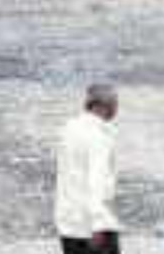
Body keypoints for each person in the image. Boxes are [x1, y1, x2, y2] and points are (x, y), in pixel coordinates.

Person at [54, 83, 120, 254]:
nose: (116, 108)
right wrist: (98, 224)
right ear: (104, 106)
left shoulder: (69, 129)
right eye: (115, 103)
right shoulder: (99, 136)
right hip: (93, 227)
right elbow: (96, 181)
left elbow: (67, 176)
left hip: (68, 225)